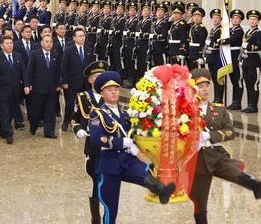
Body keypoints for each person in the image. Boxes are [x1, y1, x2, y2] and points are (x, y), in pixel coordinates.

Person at [88, 71, 175, 224]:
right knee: (111, 207)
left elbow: (133, 133)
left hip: (127, 158)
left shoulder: (126, 113)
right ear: (102, 93)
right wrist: (120, 142)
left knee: (142, 172)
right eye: (110, 90)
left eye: (116, 89)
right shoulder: (97, 114)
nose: (114, 92)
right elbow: (96, 138)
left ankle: (160, 190)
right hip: (109, 161)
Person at [189, 68, 261, 224]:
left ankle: (256, 185)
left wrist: (210, 136)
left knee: (233, 170)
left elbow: (230, 132)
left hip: (217, 154)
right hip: (197, 160)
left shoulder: (219, 110)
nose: (205, 89)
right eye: (201, 86)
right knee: (200, 202)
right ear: (192, 88)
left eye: (207, 85)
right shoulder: (185, 111)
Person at [71, 61, 109, 224]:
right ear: (90, 80)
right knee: (95, 182)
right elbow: (74, 119)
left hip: (110, 147)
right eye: (96, 77)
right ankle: (96, 218)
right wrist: (78, 129)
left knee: (109, 184)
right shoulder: (83, 98)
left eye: (102, 77)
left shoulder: (111, 96)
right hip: (93, 147)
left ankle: (109, 216)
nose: (100, 80)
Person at [0, 36, 29, 144]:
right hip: (1, 90)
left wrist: (26, 85)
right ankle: (9, 134)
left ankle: (2, 130)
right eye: (7, 43)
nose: (10, 45)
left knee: (10, 113)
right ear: (1, 45)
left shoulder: (17, 56)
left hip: (15, 90)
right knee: (4, 112)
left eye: (11, 43)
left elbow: (23, 72)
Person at [25, 35, 60, 138]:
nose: (49, 44)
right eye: (47, 42)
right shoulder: (35, 54)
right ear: (41, 43)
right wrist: (28, 84)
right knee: (36, 110)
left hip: (51, 88)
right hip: (38, 88)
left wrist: (58, 84)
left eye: (50, 42)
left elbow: (58, 71)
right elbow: (29, 71)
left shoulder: (55, 55)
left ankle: (49, 132)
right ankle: (33, 126)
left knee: (50, 111)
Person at [60, 28, 95, 131]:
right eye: (79, 36)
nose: (82, 38)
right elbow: (64, 67)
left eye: (83, 36)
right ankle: (66, 121)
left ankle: (81, 124)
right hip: (71, 83)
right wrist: (64, 82)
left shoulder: (89, 49)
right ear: (74, 38)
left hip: (85, 83)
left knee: (84, 105)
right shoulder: (69, 50)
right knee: (70, 105)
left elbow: (92, 67)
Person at [240, 10, 261, 113]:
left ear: (257, 21)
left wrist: (248, 46)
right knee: (248, 84)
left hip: (254, 60)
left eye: (254, 19)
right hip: (246, 60)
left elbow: (260, 46)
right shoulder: (247, 32)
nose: (252, 21)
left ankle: (254, 105)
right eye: (250, 19)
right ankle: (249, 104)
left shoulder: (258, 33)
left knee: (254, 84)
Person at [204, 9, 223, 103]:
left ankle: (219, 98)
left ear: (220, 19)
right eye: (214, 18)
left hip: (217, 56)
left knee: (218, 79)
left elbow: (218, 44)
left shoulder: (220, 30)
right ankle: (216, 97)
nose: (215, 19)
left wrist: (210, 43)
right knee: (214, 79)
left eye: (217, 18)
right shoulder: (212, 30)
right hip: (211, 56)